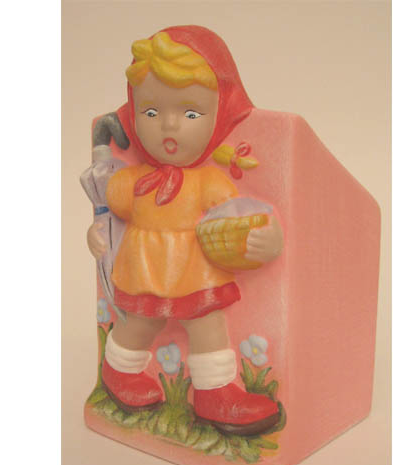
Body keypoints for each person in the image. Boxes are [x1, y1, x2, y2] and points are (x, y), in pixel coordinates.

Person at [86, 26, 284, 434]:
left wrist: (268, 240)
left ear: (219, 115)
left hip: (195, 272)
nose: (169, 126)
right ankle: (119, 371)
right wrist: (97, 235)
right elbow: (107, 210)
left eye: (191, 114)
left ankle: (215, 393)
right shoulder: (132, 180)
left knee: (207, 324)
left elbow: (239, 217)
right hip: (144, 268)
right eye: (151, 112)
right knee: (139, 323)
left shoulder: (209, 182)